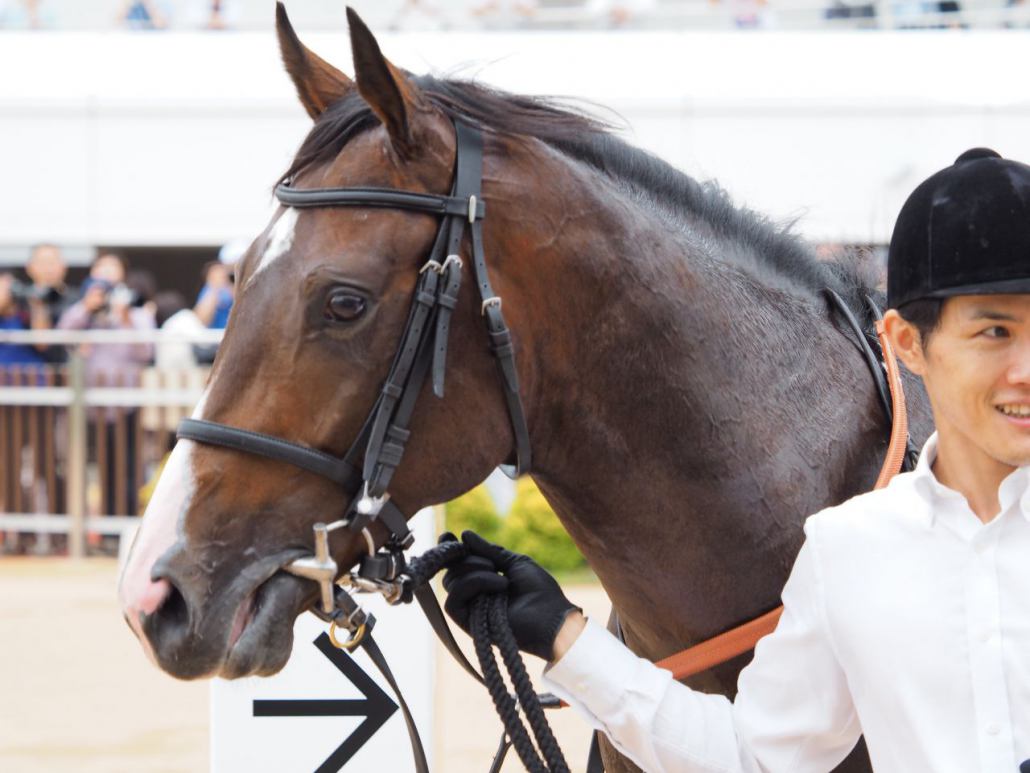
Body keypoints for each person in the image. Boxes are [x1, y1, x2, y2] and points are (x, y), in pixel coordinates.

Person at [442, 148, 1030, 771]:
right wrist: (566, 636)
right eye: (995, 333)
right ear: (907, 343)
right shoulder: (848, 551)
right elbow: (752, 757)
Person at [58, 252, 154, 518]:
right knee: (91, 468)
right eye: (101, 268)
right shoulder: (83, 309)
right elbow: (62, 337)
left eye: (112, 268)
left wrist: (124, 317)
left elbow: (146, 352)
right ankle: (96, 525)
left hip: (127, 403)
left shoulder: (137, 312)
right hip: (89, 404)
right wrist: (87, 308)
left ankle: (122, 524)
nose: (107, 273)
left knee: (128, 468)